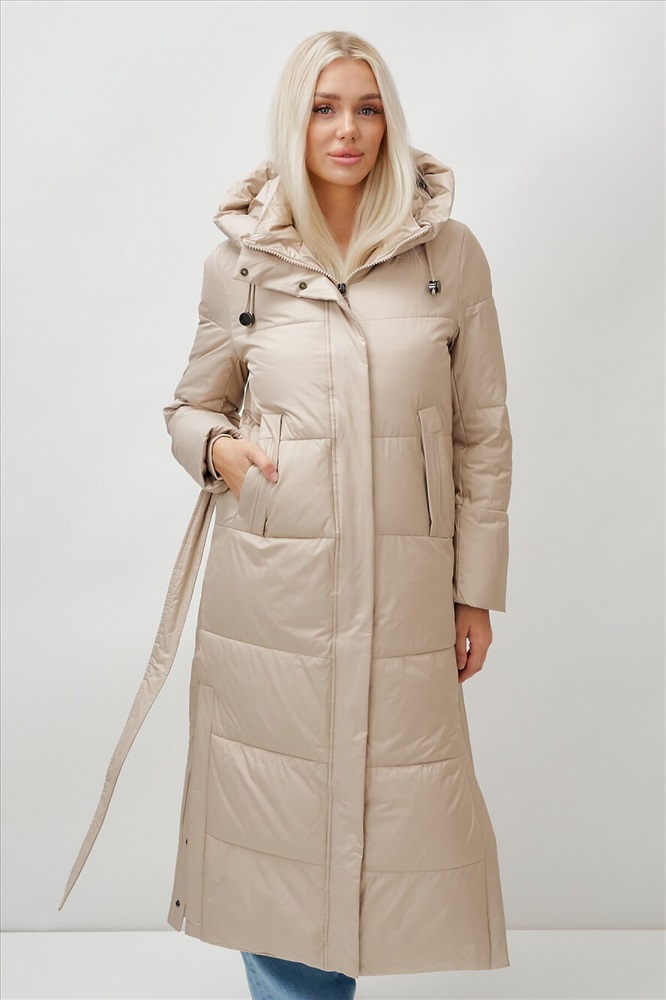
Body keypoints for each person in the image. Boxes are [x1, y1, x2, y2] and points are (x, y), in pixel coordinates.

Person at [58, 29, 513, 1000]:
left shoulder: (450, 258)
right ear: (294, 121)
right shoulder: (242, 264)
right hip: (271, 596)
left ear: (389, 122)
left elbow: (482, 432)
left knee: (388, 818)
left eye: (367, 108)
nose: (347, 129)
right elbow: (190, 408)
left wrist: (474, 590)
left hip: (401, 596)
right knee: (275, 821)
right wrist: (218, 450)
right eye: (324, 107)